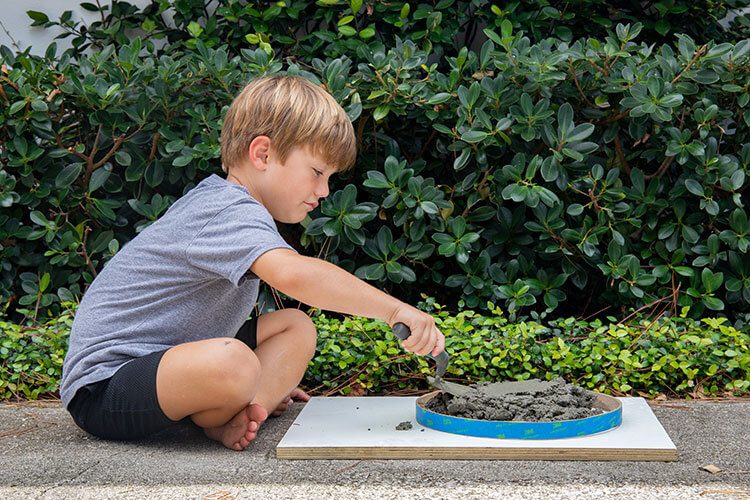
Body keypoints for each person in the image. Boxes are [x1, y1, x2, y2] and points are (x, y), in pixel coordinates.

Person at [60, 75, 445, 451]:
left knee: (295, 326)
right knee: (235, 362)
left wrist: (267, 378)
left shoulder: (237, 208)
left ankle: (239, 411)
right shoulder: (225, 209)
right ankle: (226, 401)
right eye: (316, 172)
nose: (324, 191)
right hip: (107, 384)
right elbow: (294, 274)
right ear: (262, 154)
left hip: (171, 362)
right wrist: (393, 308)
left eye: (329, 178)